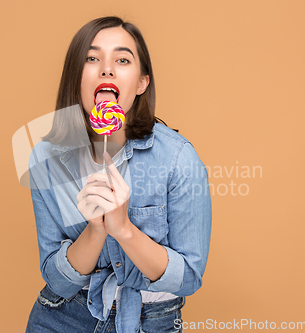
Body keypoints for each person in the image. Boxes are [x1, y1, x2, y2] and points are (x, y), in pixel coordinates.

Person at [25, 16, 212, 333]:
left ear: (142, 82)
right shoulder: (46, 158)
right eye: (92, 58)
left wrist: (123, 228)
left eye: (122, 59)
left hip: (150, 321)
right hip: (62, 318)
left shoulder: (178, 158)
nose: (107, 69)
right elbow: (56, 279)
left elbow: (190, 277)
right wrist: (95, 230)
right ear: (76, 77)